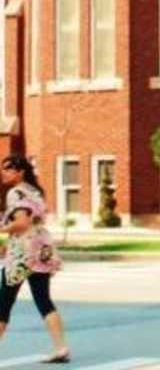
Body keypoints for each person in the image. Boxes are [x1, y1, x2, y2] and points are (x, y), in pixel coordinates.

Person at [0, 155, 69, 363]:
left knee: (3, 302)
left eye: (8, 169)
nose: (3, 172)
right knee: (43, 300)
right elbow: (31, 222)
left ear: (20, 171)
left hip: (23, 254)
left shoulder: (15, 192)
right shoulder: (34, 191)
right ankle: (61, 347)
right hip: (41, 250)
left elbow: (21, 222)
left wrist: (2, 229)